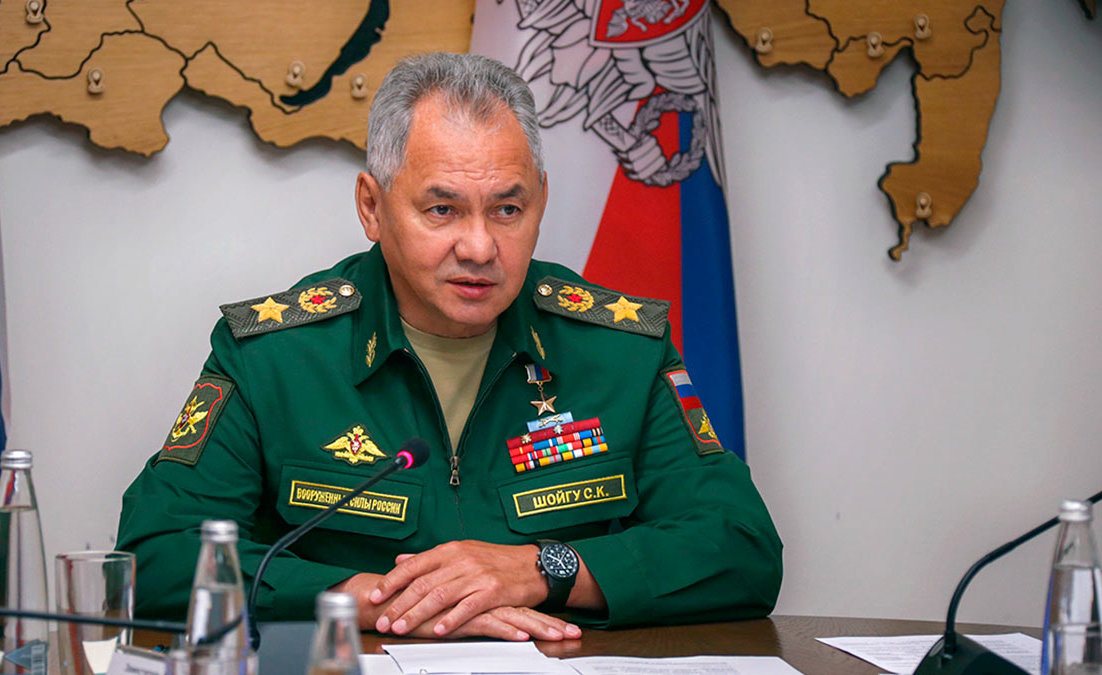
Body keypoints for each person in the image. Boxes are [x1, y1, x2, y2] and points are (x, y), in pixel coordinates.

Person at [117, 52, 782, 641]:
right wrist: (374, 601)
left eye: (507, 209)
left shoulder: (620, 350)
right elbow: (155, 556)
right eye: (442, 210)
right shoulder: (275, 358)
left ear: (541, 202)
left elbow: (742, 547)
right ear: (372, 207)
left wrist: (545, 569)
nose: (480, 247)